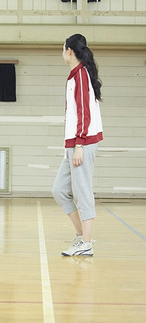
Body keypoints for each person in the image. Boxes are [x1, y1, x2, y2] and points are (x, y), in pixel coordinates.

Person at [53, 33, 103, 257]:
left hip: (83, 142)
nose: (62, 53)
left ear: (69, 51)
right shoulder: (74, 76)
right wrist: (72, 146)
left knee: (83, 193)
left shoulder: (81, 74)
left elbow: (85, 112)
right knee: (60, 191)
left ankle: (87, 243)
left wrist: (80, 144)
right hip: (74, 144)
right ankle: (83, 236)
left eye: (63, 49)